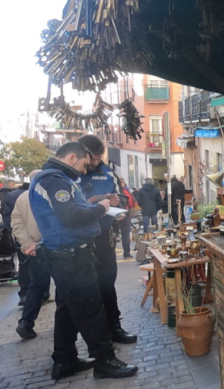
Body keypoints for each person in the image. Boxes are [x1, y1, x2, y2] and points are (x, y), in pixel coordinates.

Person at [29, 143, 137, 380]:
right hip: (71, 255)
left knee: (67, 310)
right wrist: (100, 208)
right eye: (83, 164)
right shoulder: (55, 180)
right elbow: (71, 216)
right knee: (91, 309)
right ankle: (105, 361)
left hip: (66, 254)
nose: (84, 169)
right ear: (71, 157)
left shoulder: (54, 179)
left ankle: (64, 360)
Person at [77, 135, 137, 344]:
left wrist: (116, 201)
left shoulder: (107, 172)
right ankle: (94, 336)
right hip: (80, 239)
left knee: (107, 283)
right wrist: (94, 201)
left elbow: (121, 198)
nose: (94, 163)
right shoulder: (71, 174)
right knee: (85, 290)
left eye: (98, 159)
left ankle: (114, 328)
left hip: (104, 236)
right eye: (91, 159)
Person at [11, 170, 53, 339]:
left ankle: (26, 323)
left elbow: (16, 224)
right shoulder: (50, 195)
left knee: (37, 285)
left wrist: (29, 244)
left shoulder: (22, 198)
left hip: (36, 248)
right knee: (65, 288)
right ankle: (67, 325)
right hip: (53, 245)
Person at [1, 182, 32, 306]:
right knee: (41, 266)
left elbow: (6, 215)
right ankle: (43, 293)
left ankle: (24, 294)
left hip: (20, 236)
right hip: (39, 236)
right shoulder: (37, 193)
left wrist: (13, 231)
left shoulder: (12, 196)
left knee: (24, 265)